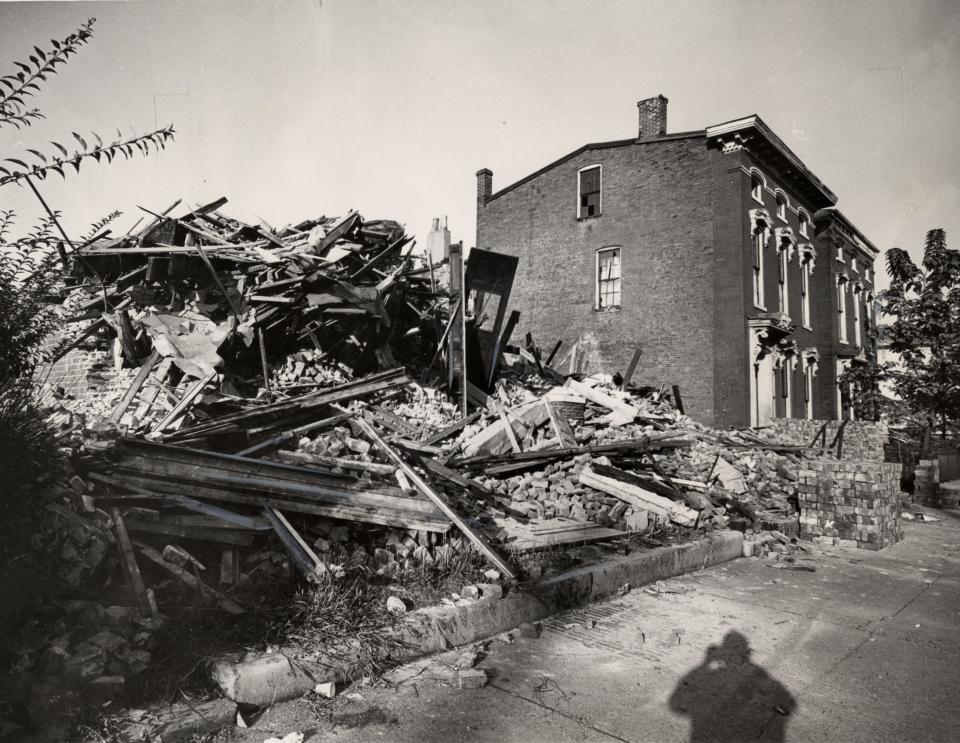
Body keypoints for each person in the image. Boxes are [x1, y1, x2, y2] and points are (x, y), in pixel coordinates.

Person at [669, 630, 797, 742]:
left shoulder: (710, 674)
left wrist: (705, 665)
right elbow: (787, 702)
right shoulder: (757, 673)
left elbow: (676, 704)